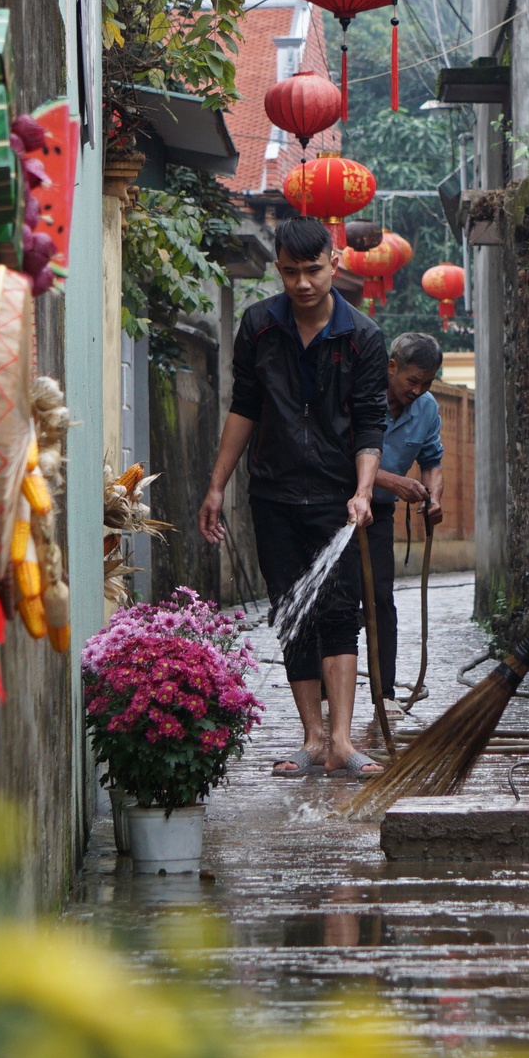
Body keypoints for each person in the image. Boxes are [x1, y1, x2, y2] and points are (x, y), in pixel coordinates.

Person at [198, 218, 388, 779]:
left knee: (338, 614)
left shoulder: (363, 337)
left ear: (334, 263)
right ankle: (311, 738)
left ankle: (344, 742)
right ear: (278, 267)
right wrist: (216, 485)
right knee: (292, 614)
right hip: (274, 493)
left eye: (313, 270)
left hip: (335, 497)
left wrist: (362, 491)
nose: (303, 283)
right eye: (291, 271)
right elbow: (245, 407)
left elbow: (371, 422)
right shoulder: (259, 327)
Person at [368, 332, 447, 702]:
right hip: (337, 503)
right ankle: (326, 688)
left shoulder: (427, 408)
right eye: (412, 381)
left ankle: (384, 693)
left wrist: (433, 497)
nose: (418, 390)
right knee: (339, 598)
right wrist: (392, 480)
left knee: (381, 597)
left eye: (426, 383)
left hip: (380, 510)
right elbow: (338, 457)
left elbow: (432, 460)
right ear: (392, 367)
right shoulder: (362, 396)